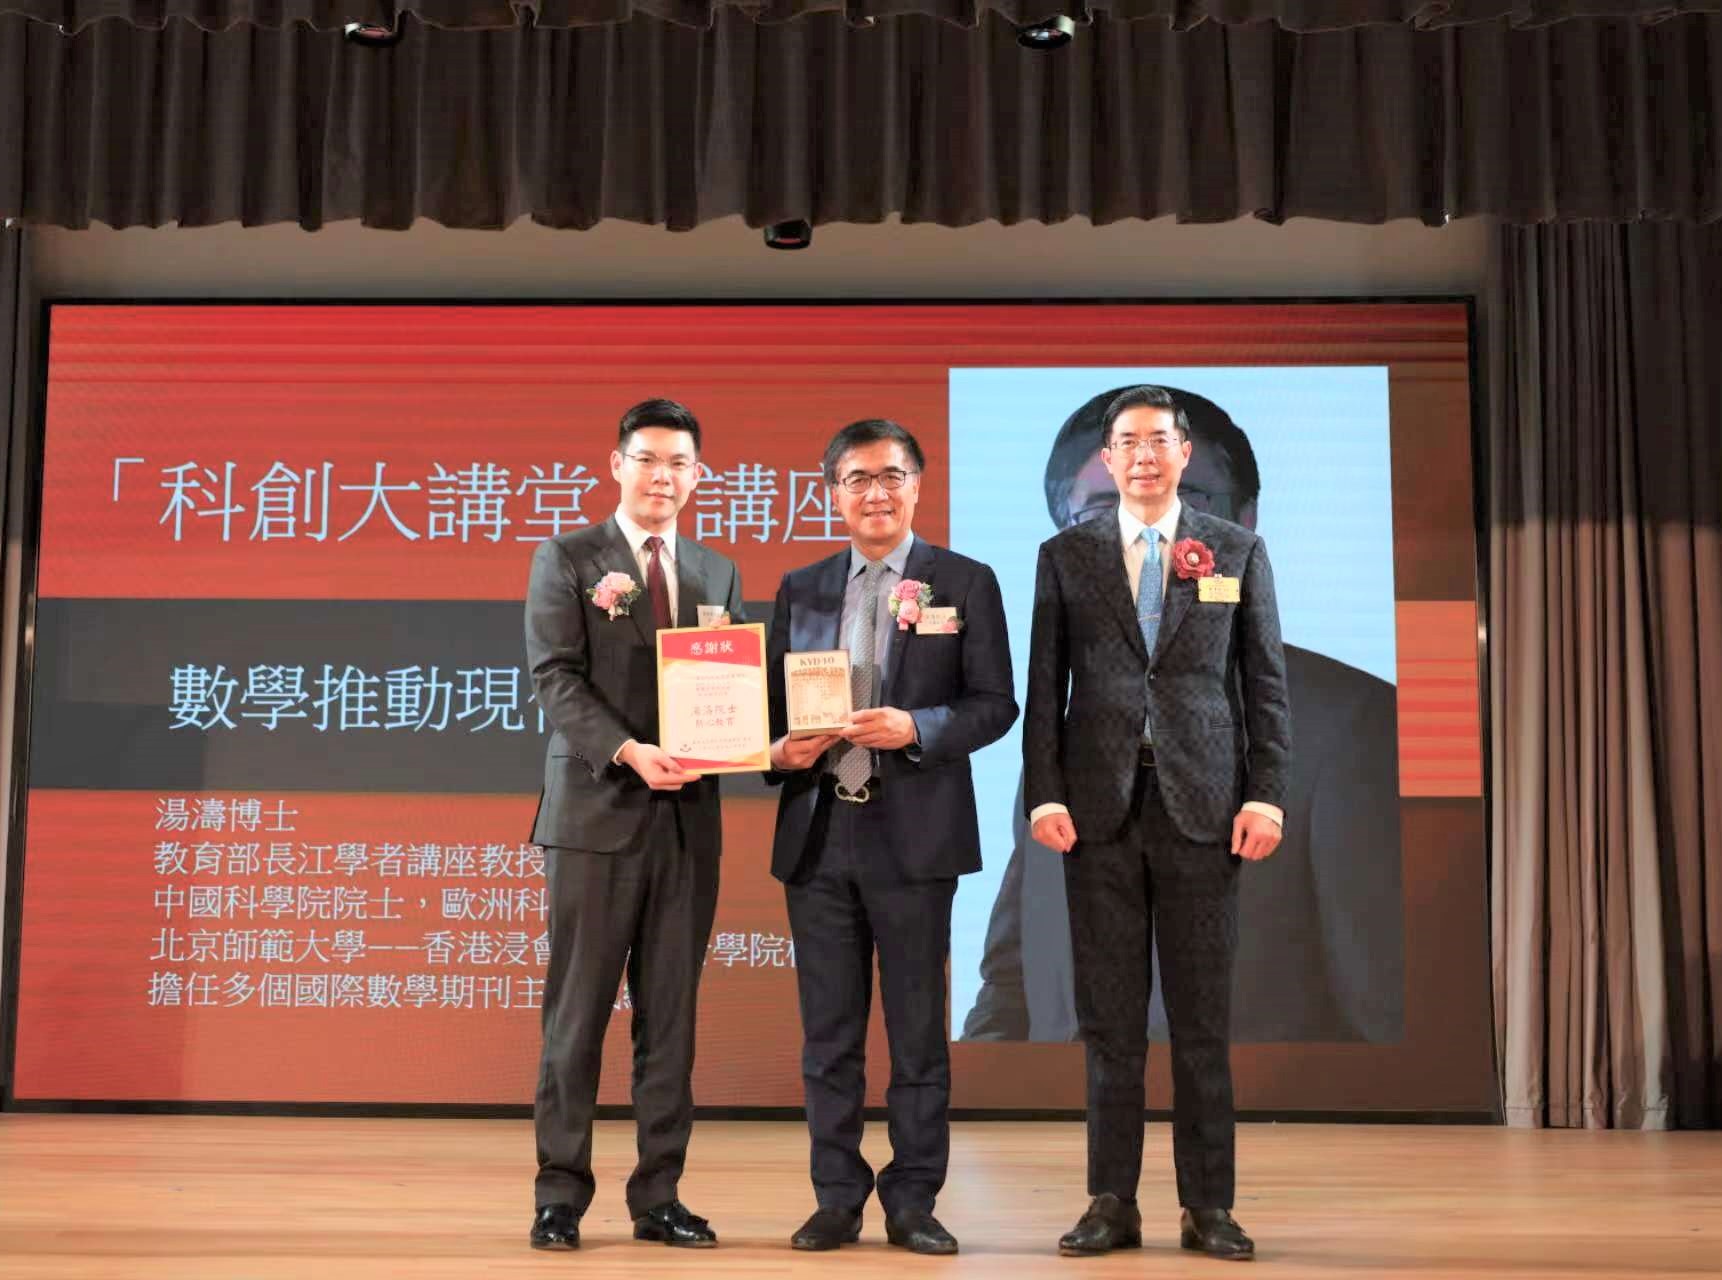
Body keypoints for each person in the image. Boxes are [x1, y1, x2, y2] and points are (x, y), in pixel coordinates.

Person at [964, 386, 1402, 1045]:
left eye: (1186, 497)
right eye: (1104, 510)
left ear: (1245, 519)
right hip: (1062, 1102)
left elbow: (1377, 1017)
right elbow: (1010, 982)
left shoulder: (1346, 724)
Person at [1024, 385, 1289, 1260]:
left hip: (1204, 811)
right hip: (1097, 814)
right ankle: (1112, 1201)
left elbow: (1263, 683)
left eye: (1158, 440)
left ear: (1183, 453)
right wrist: (1045, 794)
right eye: (1127, 442)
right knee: (1110, 1023)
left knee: (1202, 1023)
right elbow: (1045, 686)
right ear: (1107, 459)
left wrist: (1266, 793)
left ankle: (1209, 1206)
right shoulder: (1065, 555)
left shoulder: (1235, 550)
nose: (1143, 455)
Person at [763, 419, 1016, 1255]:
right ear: (832, 493)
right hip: (819, 832)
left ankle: (913, 1200)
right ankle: (836, 1198)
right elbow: (769, 710)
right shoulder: (801, 588)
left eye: (891, 476)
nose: (875, 493)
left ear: (918, 484)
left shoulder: (964, 581)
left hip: (915, 836)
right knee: (828, 1036)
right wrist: (777, 751)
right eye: (857, 479)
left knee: (916, 1034)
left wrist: (917, 726)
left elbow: (995, 703)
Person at [523, 398, 746, 1251]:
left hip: (687, 822)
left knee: (672, 1019)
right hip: (596, 814)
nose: (663, 476)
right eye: (648, 459)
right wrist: (628, 751)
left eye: (679, 462)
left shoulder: (717, 571)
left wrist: (765, 737)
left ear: (698, 476)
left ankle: (659, 1196)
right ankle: (559, 1196)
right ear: (616, 464)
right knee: (576, 1016)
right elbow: (555, 676)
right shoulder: (569, 557)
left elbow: (726, 686)